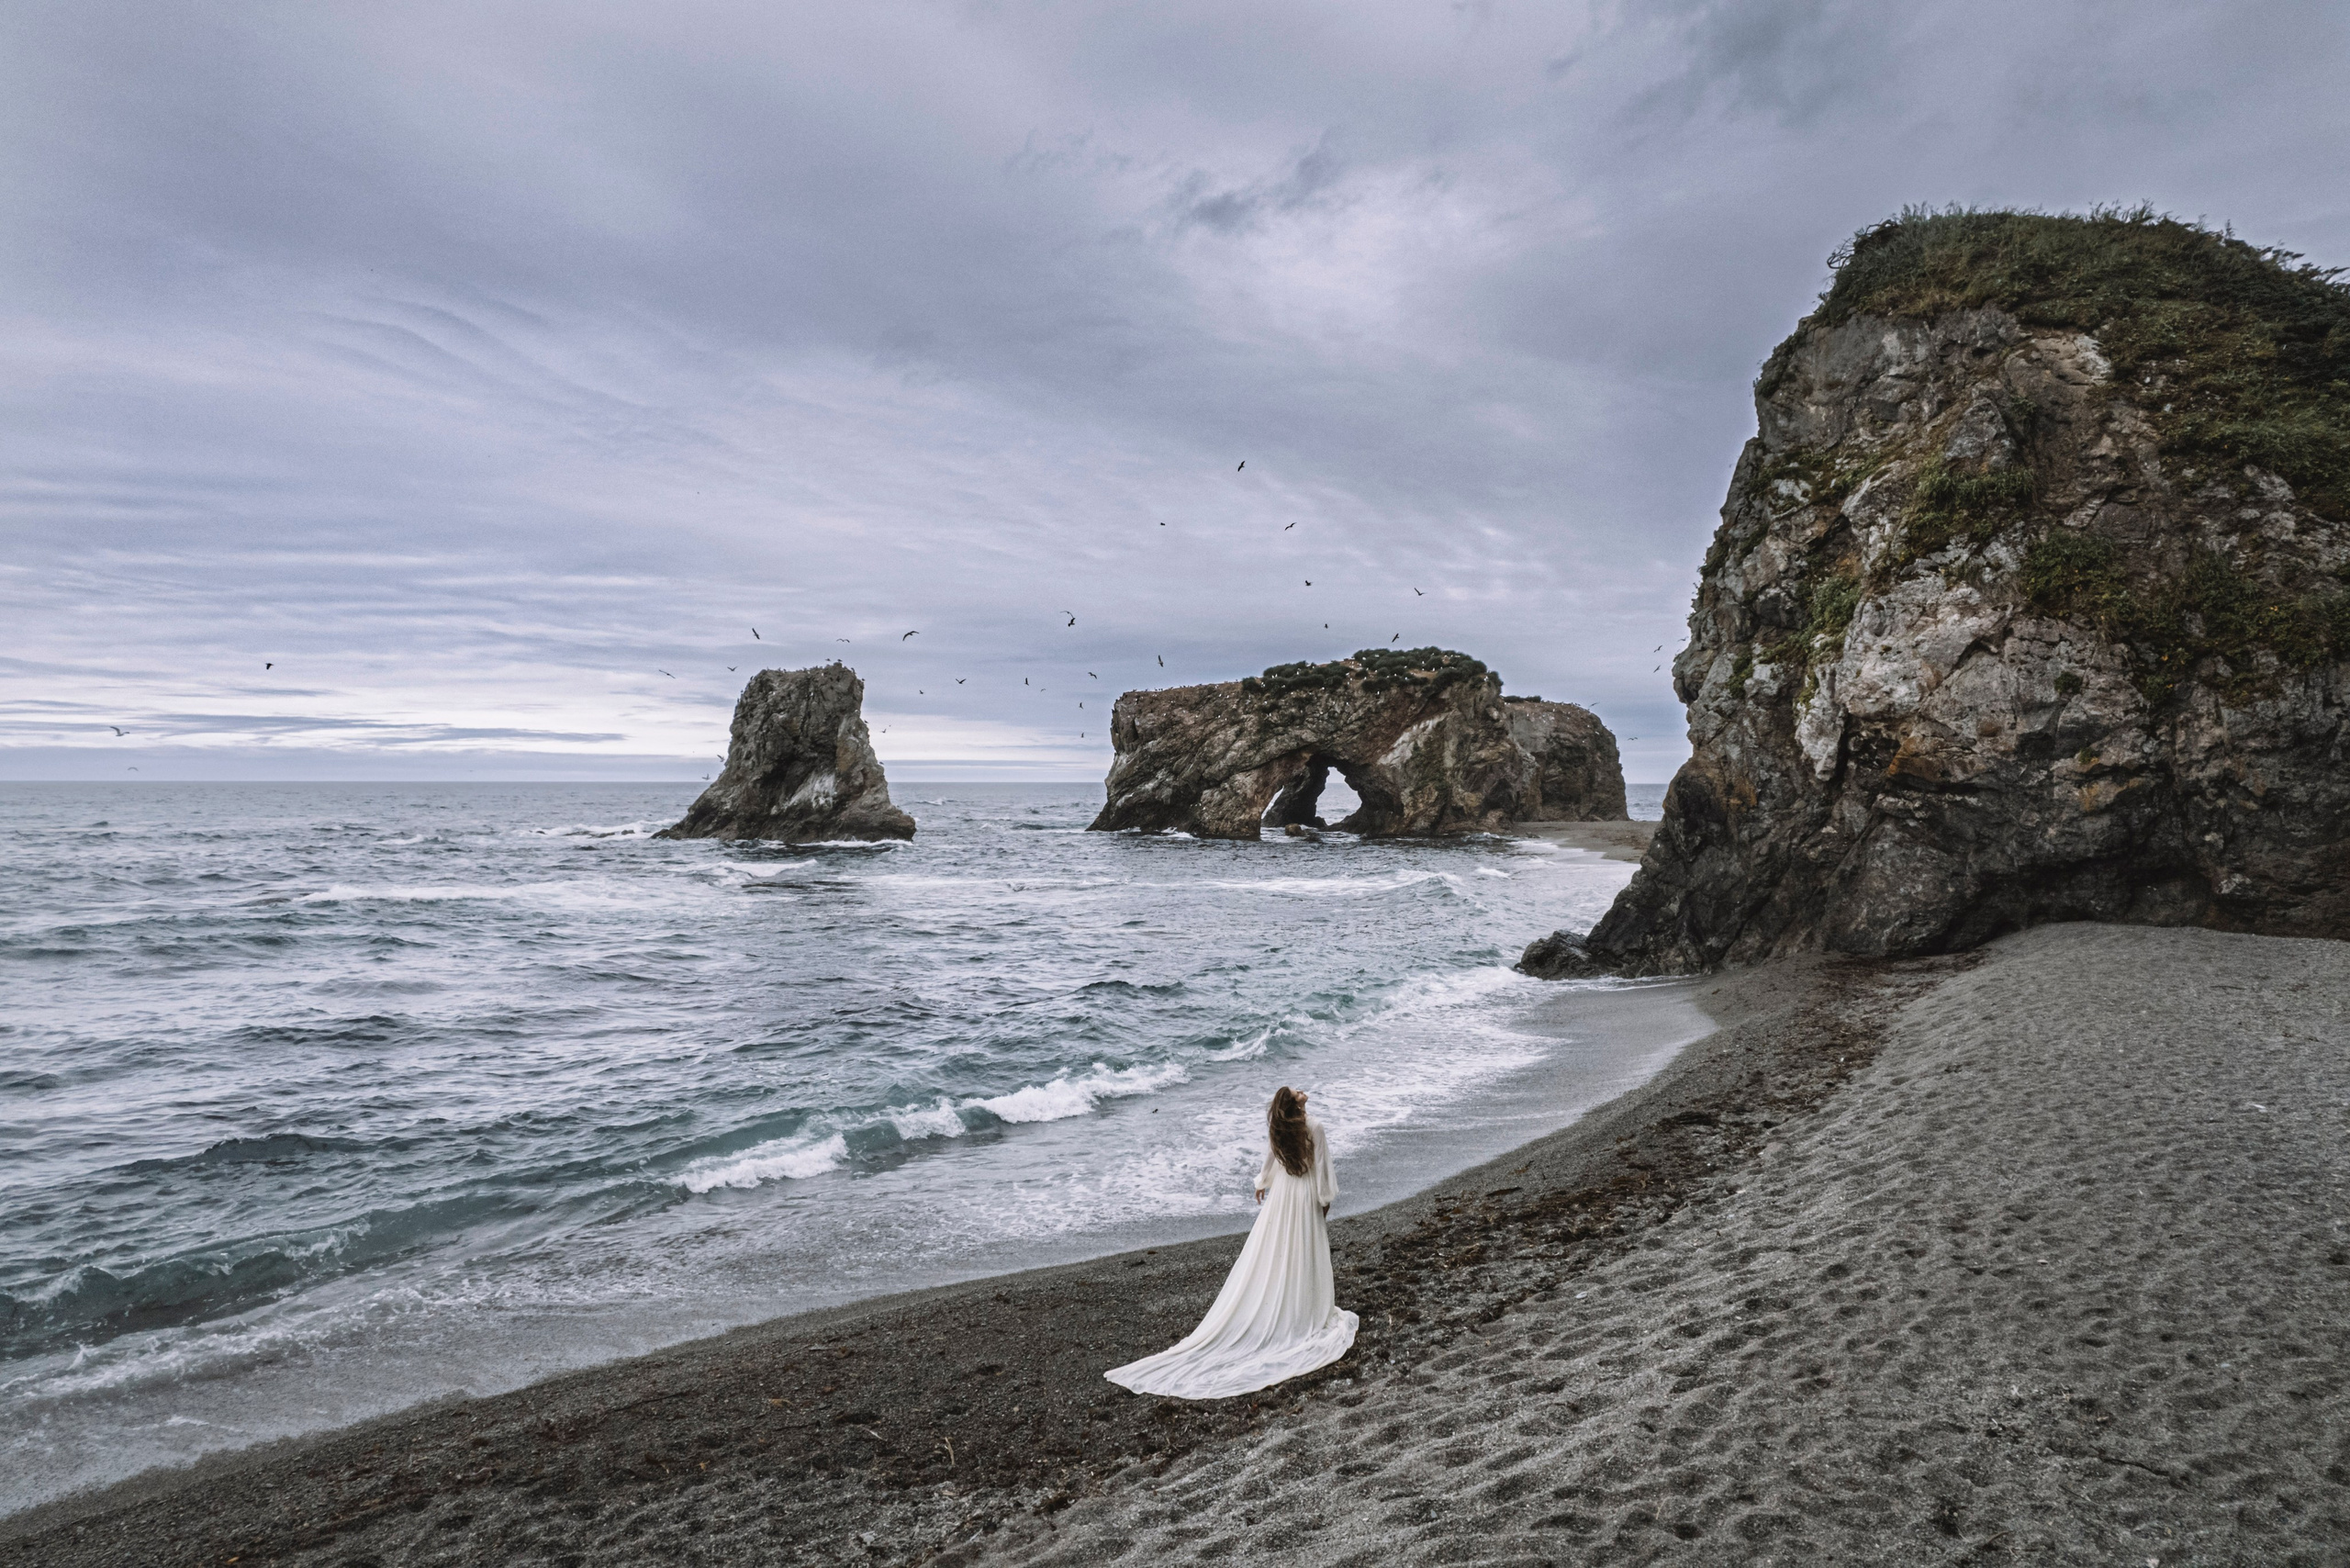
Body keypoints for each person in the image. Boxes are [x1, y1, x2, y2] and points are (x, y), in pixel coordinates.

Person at [1104, 1086, 1358, 1398]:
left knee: (1279, 1250)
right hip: (1303, 1195)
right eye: (1296, 1091)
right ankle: (1302, 1309)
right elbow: (1322, 1170)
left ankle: (1288, 1303)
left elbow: (1272, 1157)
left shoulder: (1280, 1127)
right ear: (1295, 1103)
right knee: (1303, 1250)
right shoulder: (1314, 1127)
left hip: (1283, 1195)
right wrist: (1324, 1199)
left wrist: (1263, 1182)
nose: (1301, 1090)